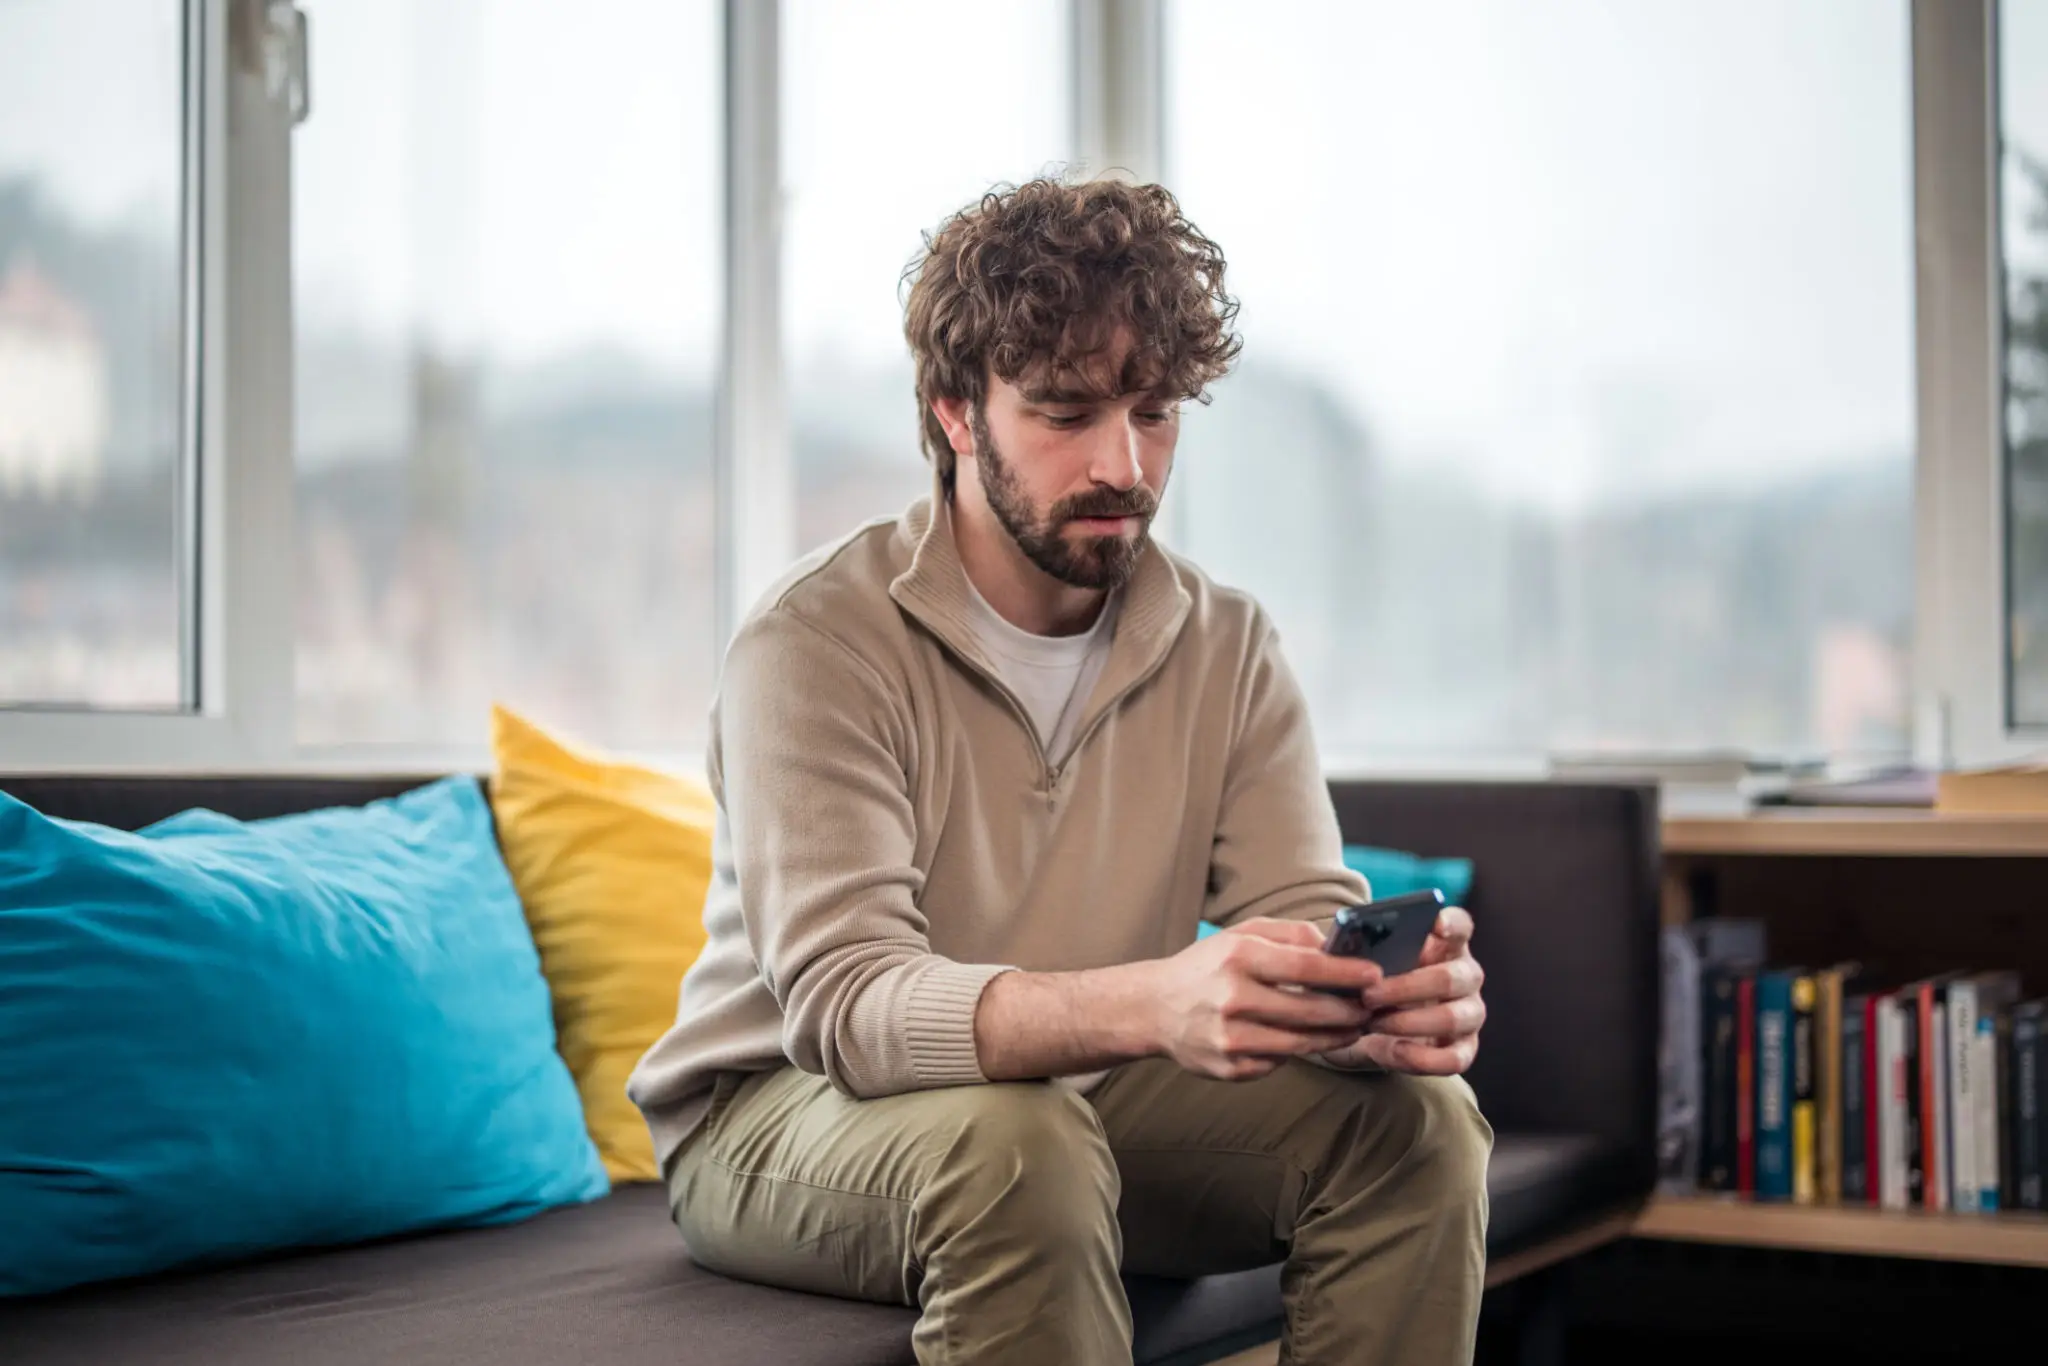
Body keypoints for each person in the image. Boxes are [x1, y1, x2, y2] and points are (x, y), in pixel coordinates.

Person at [627, 177, 1492, 1366]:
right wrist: (1151, 1002)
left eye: (1153, 411)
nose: (1122, 463)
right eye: (1065, 412)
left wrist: (1368, 1010)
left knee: (1420, 1127)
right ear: (954, 413)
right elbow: (849, 1006)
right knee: (1018, 1153)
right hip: (778, 1111)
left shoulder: (1226, 644)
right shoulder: (815, 640)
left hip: (1072, 1093)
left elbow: (1299, 917)